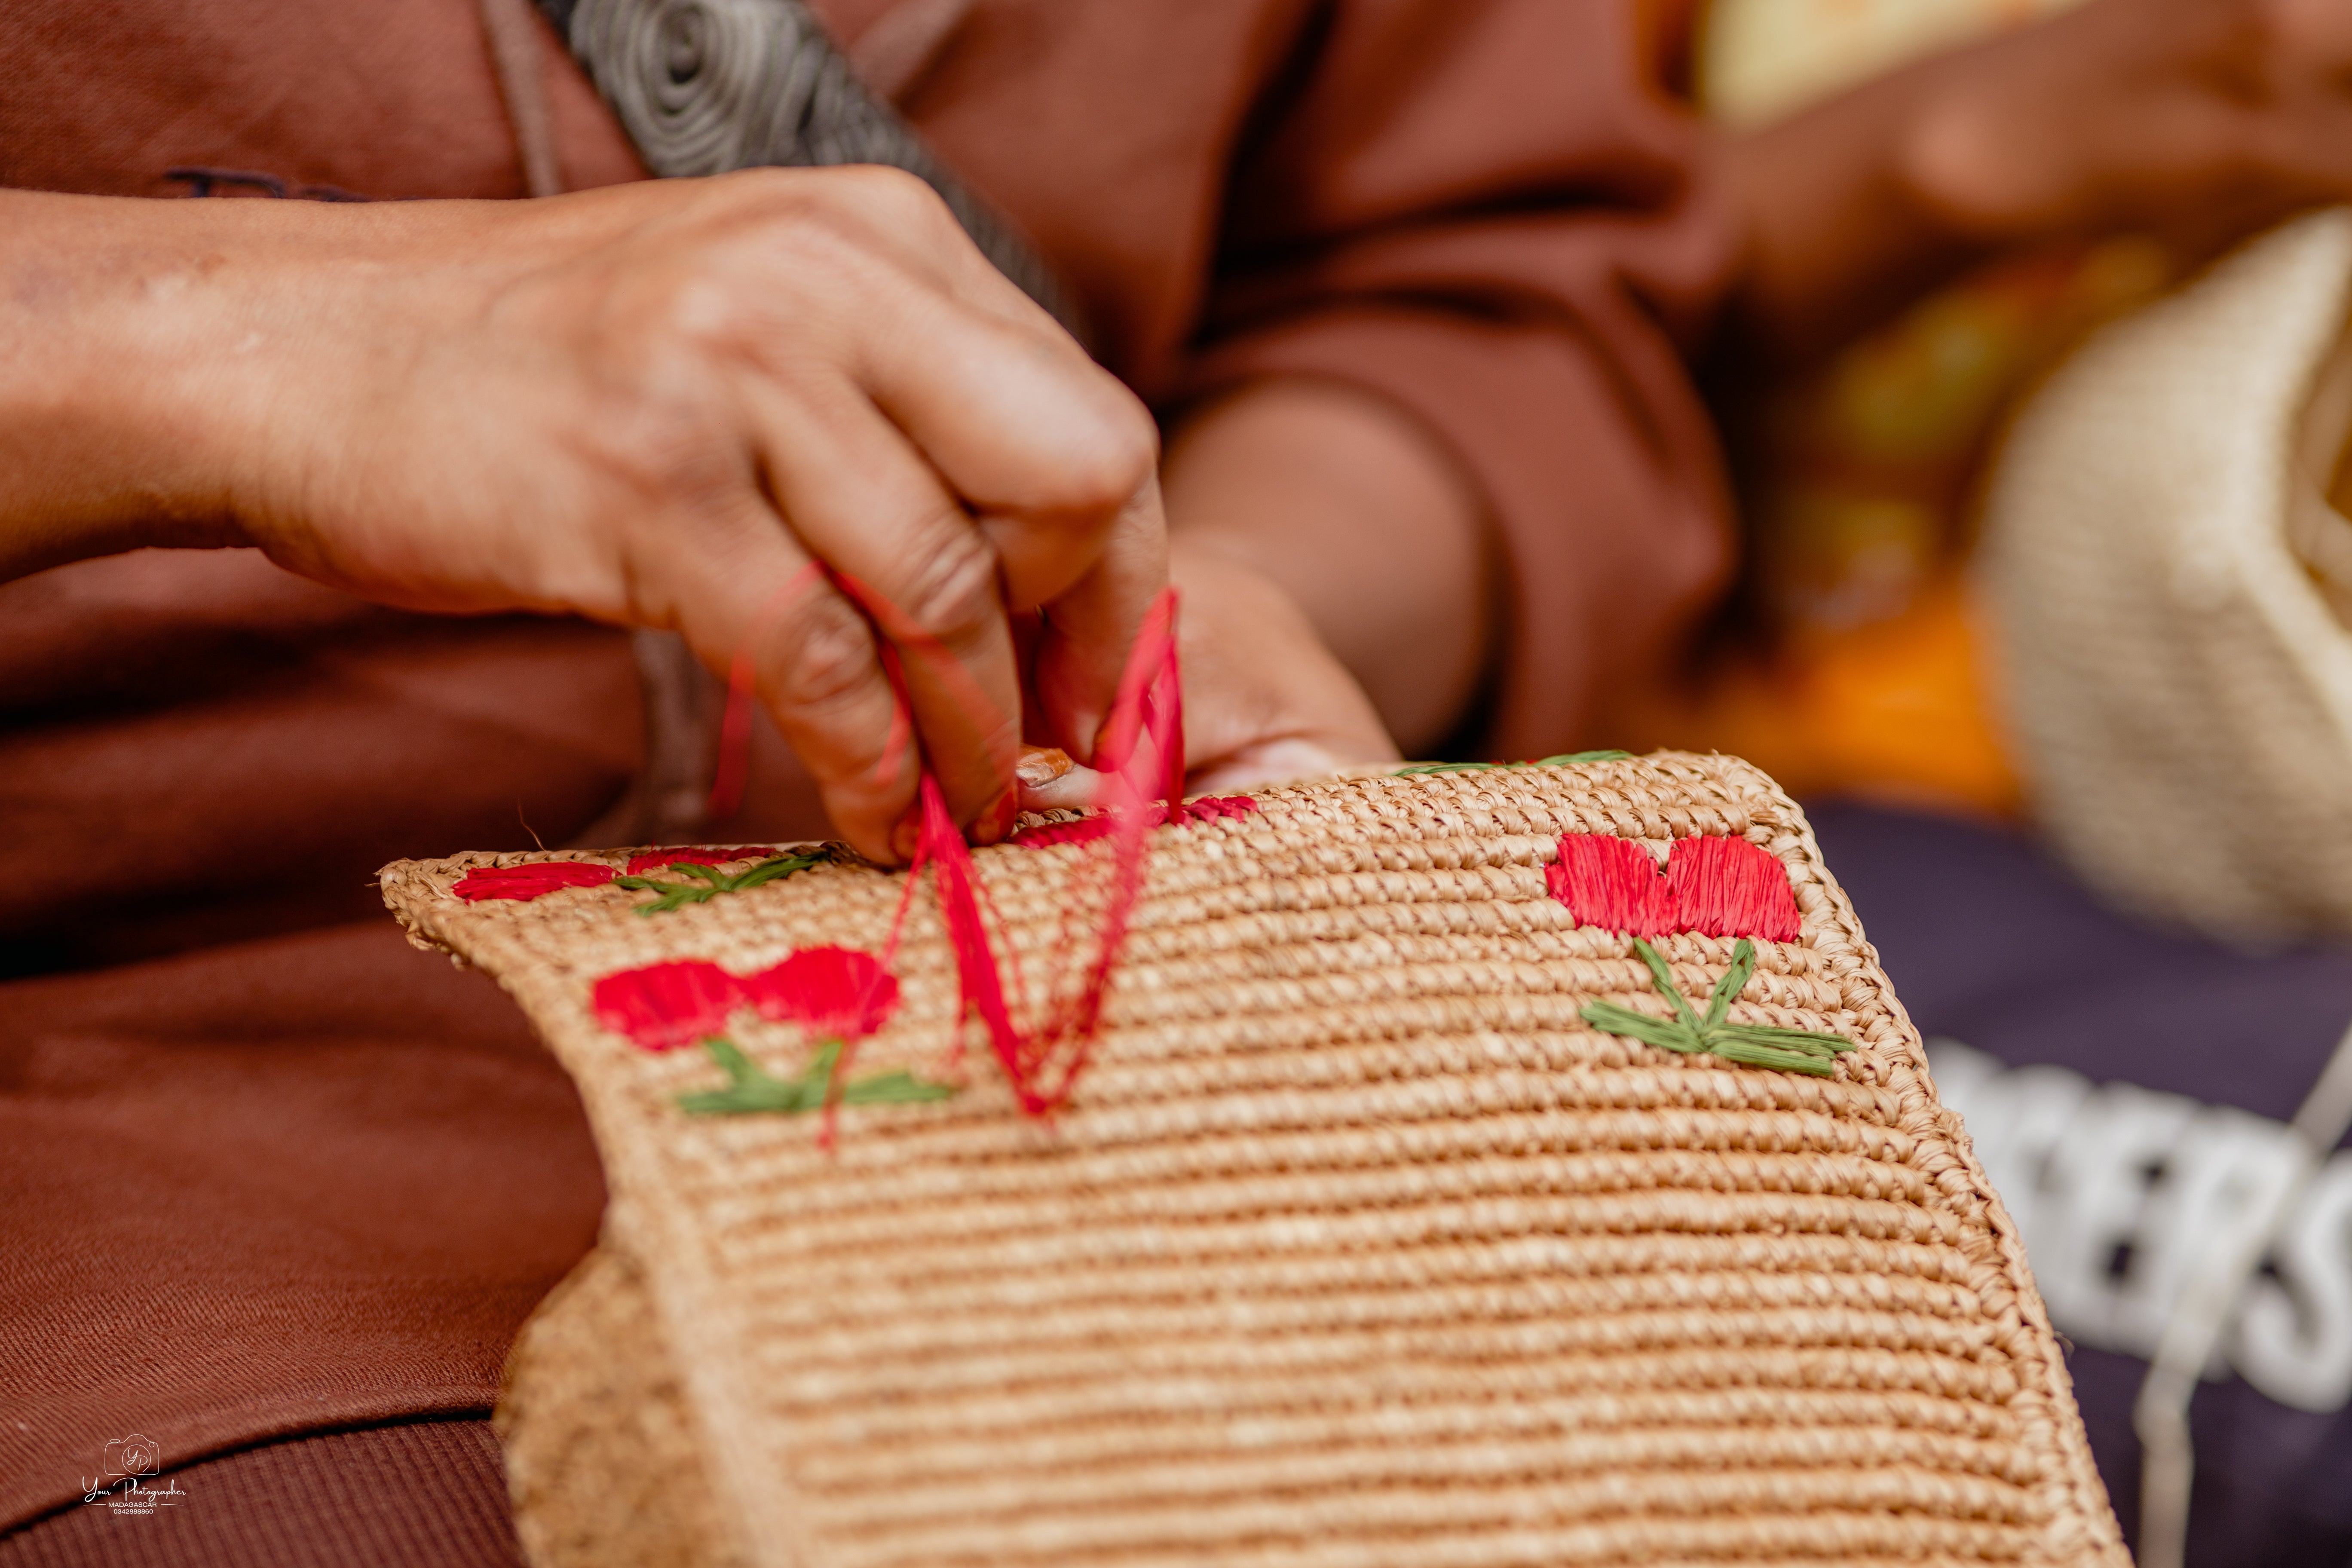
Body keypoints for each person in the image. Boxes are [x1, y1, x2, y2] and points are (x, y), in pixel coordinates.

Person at [7, 0, 2352, 1560]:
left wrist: (1229, 592)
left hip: (1164, 1034)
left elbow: (1476, 276)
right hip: (151, 1107)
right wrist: (218, 351)